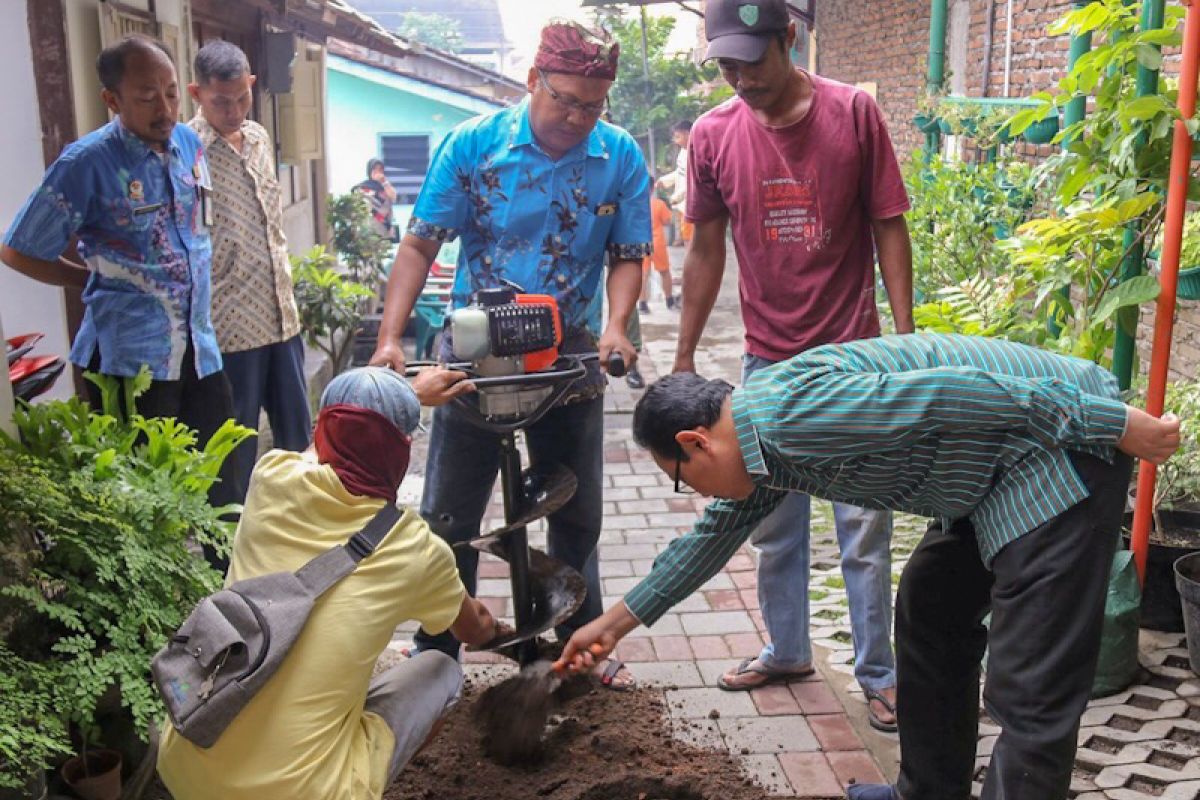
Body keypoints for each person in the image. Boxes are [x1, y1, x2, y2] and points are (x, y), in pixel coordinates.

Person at [555, 333, 1182, 800]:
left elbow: (956, 393)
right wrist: (613, 624)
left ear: (696, 442)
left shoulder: (789, 420)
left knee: (1029, 686)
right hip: (988, 479)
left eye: (681, 481)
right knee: (931, 603)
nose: (696, 495)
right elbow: (711, 537)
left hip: (1055, 455)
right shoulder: (760, 446)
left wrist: (1116, 423)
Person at [369, 19, 651, 690]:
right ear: (533, 82)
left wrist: (616, 324)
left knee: (575, 513)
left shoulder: (620, 156)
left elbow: (629, 254)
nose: (578, 117)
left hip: (570, 355)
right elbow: (420, 243)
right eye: (565, 100)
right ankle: (439, 648)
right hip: (476, 355)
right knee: (448, 515)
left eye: (593, 104)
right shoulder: (473, 145)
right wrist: (390, 338)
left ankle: (573, 647)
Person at [674, 0, 914, 730]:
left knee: (863, 526)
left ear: (790, 37)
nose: (739, 77)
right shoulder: (714, 135)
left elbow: (888, 226)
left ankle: (879, 674)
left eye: (752, 58)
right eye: (725, 64)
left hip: (853, 360)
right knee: (771, 521)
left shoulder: (852, 115)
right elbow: (706, 248)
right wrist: (682, 356)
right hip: (767, 363)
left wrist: (906, 340)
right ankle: (786, 649)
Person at [157, 365, 495, 800]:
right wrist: (498, 630)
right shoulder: (415, 548)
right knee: (441, 670)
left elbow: (332, 438)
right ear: (403, 449)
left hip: (188, 769)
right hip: (307, 793)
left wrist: (401, 394)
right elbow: (472, 629)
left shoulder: (271, 477)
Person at [0, 36, 241, 510]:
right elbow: (17, 250)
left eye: (171, 92)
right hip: (127, 363)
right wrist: (81, 279)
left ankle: (225, 584)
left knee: (222, 489)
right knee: (140, 505)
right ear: (112, 99)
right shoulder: (86, 163)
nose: (166, 108)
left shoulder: (189, 144)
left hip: (200, 349)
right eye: (147, 96)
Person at [188, 40, 311, 508]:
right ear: (197, 93)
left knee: (297, 445)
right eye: (221, 100)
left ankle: (300, 536)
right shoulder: (187, 151)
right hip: (230, 328)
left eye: (242, 97)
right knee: (233, 453)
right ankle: (230, 559)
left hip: (282, 318)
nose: (234, 109)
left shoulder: (259, 138)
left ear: (252, 86)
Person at [355, 158, 399, 241]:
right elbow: (364, 205)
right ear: (369, 171)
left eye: (380, 169)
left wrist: (384, 182)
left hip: (385, 230)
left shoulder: (386, 187)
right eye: (374, 169)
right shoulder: (363, 187)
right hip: (370, 229)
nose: (377, 171)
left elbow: (393, 197)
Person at [668, 119, 693, 246]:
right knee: (686, 236)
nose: (675, 140)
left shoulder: (695, 152)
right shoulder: (683, 151)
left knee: (691, 238)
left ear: (688, 133)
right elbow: (680, 172)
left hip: (690, 203)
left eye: (678, 136)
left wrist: (678, 197)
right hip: (682, 203)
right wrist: (665, 181)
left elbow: (693, 180)